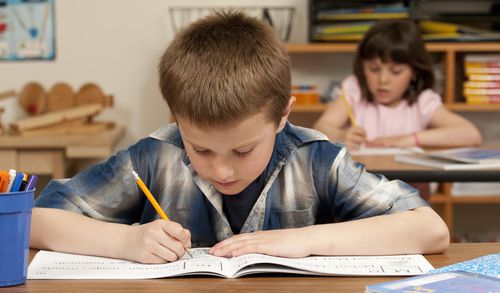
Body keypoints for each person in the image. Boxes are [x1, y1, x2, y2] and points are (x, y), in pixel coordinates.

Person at [30, 11, 449, 264]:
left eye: (244, 149)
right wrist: (125, 241)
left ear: (283, 113)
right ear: (177, 119)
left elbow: (430, 230)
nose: (222, 169)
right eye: (201, 149)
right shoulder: (155, 156)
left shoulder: (317, 160)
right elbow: (32, 222)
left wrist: (305, 240)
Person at [313, 19, 482, 151]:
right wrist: (341, 135)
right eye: (374, 69)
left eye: (396, 71)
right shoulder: (355, 90)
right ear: (362, 66)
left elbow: (471, 134)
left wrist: (409, 140)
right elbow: (320, 127)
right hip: (362, 185)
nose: (383, 80)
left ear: (414, 71)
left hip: (409, 186)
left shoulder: (422, 101)